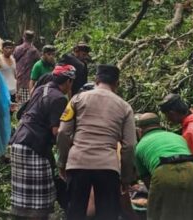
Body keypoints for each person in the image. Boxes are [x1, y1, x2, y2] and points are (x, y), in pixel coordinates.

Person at [57, 64, 136, 220]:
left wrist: (62, 162)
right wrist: (126, 178)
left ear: (96, 80)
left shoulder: (77, 99)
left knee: (76, 213)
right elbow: (129, 146)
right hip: (107, 167)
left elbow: (63, 133)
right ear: (117, 83)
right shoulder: (125, 107)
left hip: (78, 163)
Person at [9, 64, 76, 220]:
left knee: (24, 197)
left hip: (18, 143)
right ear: (68, 82)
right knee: (40, 201)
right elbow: (57, 132)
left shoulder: (41, 89)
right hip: (34, 146)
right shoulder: (59, 98)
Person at [134, 112, 193, 220]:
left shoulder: (139, 147)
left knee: (159, 213)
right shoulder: (178, 137)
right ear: (159, 125)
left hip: (164, 172)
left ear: (140, 130)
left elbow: (148, 181)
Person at [13, 30, 40, 105]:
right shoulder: (34, 51)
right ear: (32, 39)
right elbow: (39, 61)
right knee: (27, 105)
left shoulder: (17, 49)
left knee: (18, 104)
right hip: (28, 82)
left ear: (23, 37)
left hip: (17, 81)